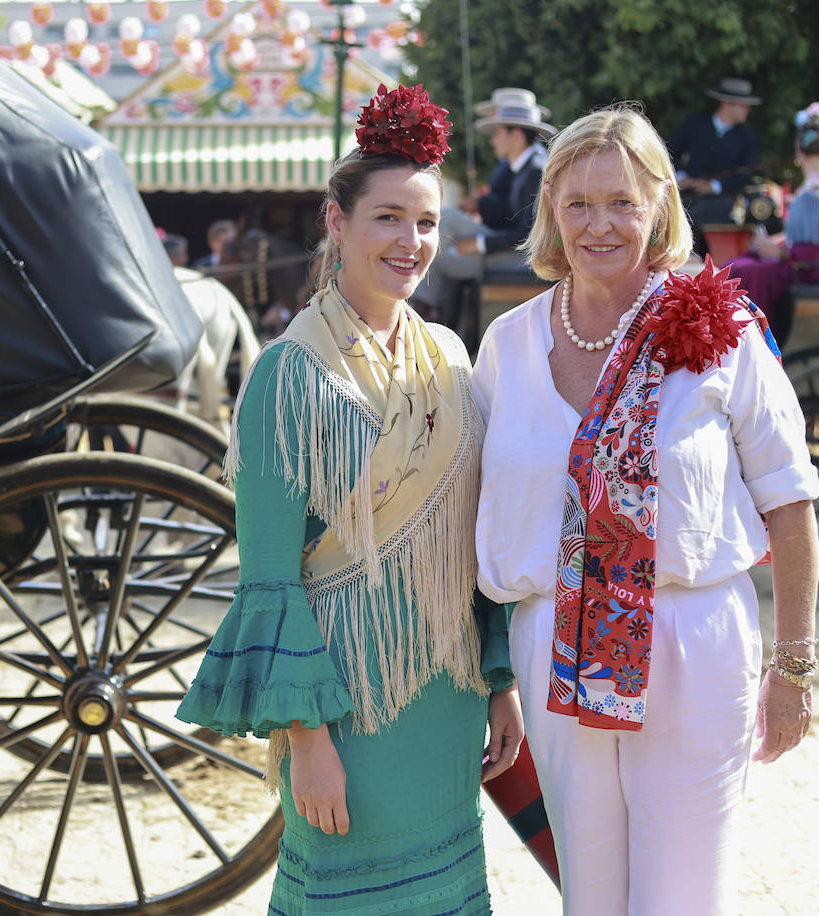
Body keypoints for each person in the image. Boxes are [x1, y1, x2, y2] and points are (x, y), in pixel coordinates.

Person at [176, 83, 522, 913]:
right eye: (388, 218)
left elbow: (471, 537)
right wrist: (308, 743)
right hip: (345, 710)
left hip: (446, 698)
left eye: (428, 222)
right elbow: (267, 580)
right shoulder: (285, 379)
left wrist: (500, 680)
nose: (412, 242)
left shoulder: (450, 358)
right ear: (337, 223)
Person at [473, 105, 819, 913]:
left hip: (693, 642)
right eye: (579, 203)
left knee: (681, 898)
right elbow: (474, 515)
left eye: (623, 201)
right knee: (588, 896)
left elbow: (790, 496)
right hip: (555, 643)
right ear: (550, 207)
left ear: (660, 202)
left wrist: (795, 664)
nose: (600, 224)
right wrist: (493, 675)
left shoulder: (722, 329)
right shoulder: (508, 346)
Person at [417, 87, 555, 332]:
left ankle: (420, 319)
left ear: (517, 135)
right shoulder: (517, 167)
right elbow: (503, 213)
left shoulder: (535, 171)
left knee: (442, 245)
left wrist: (478, 244)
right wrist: (480, 205)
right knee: (442, 250)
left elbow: (526, 234)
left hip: (521, 258)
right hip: (506, 251)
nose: (492, 139)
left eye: (498, 132)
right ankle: (428, 321)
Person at [725, 103, 819, 342]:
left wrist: (778, 252)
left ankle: (757, 341)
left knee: (743, 270)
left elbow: (816, 253)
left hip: (818, 272)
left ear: (799, 148)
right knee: (746, 263)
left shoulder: (813, 192)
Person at [668, 77, 762, 254]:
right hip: (688, 193)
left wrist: (713, 186)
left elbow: (745, 173)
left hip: (725, 200)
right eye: (743, 105)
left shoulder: (747, 136)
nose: (747, 110)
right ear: (727, 103)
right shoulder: (695, 124)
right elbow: (669, 152)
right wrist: (681, 177)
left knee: (696, 213)